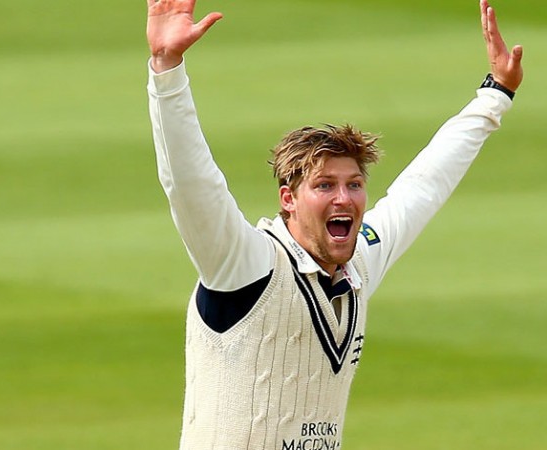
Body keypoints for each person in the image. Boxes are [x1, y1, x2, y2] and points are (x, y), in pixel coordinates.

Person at [146, 0, 523, 448]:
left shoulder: (359, 262)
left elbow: (423, 187)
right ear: (288, 199)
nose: (344, 198)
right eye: (324, 185)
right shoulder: (245, 264)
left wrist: (495, 94)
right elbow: (191, 184)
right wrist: (167, 70)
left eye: (354, 184)